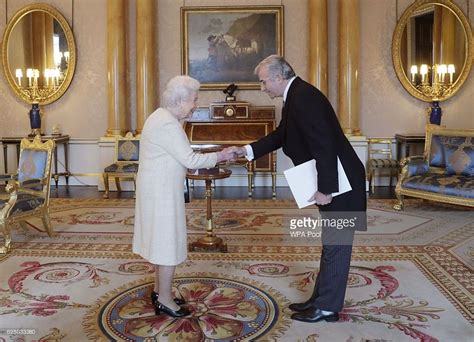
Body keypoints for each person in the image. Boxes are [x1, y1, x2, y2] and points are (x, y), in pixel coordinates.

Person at [232, 55, 367, 323]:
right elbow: (281, 136)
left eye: (263, 82)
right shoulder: (295, 96)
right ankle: (320, 300)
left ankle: (327, 308)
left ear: (279, 77)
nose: (262, 88)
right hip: (337, 179)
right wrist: (246, 150)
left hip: (342, 183)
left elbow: (324, 143)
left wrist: (326, 189)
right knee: (331, 243)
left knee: (336, 243)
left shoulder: (303, 97)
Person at [133, 75, 236, 318]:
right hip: (161, 194)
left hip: (157, 190)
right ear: (179, 100)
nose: (195, 105)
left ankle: (160, 292)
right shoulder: (167, 124)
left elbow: (181, 153)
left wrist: (214, 154)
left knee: (160, 242)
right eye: (193, 100)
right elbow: (190, 160)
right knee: (167, 243)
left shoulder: (162, 118)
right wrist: (222, 155)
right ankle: (166, 301)